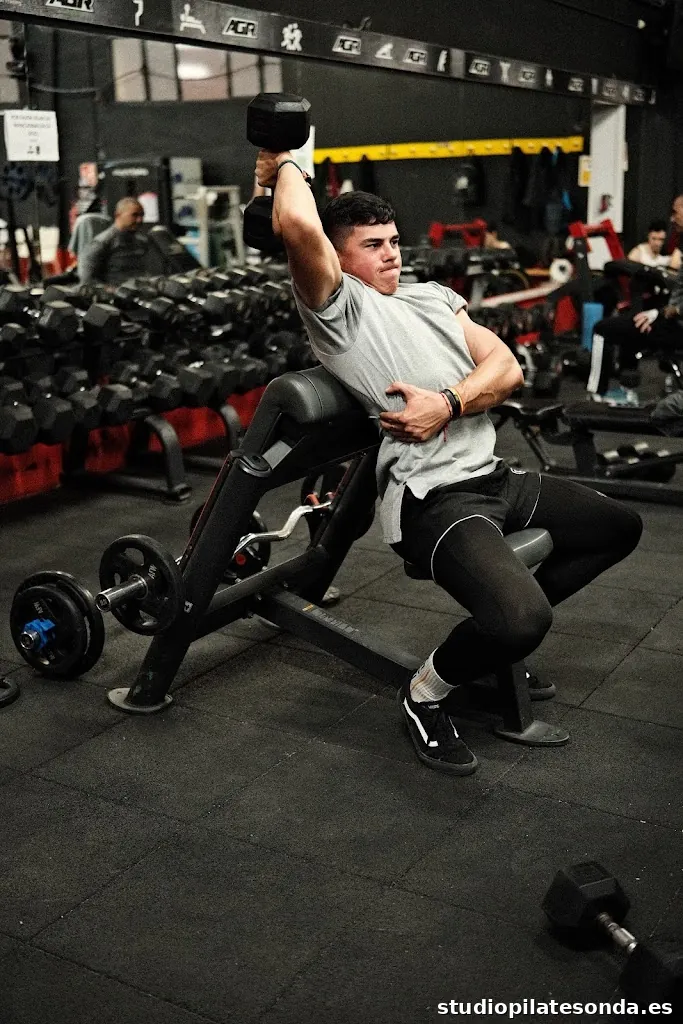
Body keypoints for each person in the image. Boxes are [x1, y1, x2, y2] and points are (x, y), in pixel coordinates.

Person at [255, 147, 642, 776]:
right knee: (523, 620)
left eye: (394, 241)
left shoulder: (432, 296)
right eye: (373, 245)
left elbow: (507, 368)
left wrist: (449, 403)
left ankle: (494, 639)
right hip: (434, 497)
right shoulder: (341, 311)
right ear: (338, 258)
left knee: (618, 528)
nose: (391, 254)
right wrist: (286, 161)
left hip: (492, 474)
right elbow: (298, 225)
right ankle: (425, 695)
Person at [588, 261, 683, 398]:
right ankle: (628, 388)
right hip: (671, 321)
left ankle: (597, 393)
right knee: (634, 324)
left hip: (677, 327)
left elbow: (676, 308)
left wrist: (658, 313)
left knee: (602, 330)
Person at [78, 198, 149, 287]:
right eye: (134, 215)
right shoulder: (101, 243)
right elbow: (87, 281)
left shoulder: (141, 242)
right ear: (117, 215)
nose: (140, 220)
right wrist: (112, 290)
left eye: (142, 215)